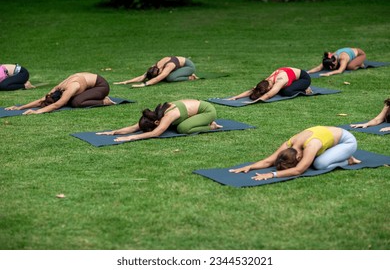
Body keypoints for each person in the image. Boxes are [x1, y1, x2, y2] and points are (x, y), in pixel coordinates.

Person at [229, 126, 361, 181]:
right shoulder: (289, 144)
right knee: (313, 161)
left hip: (346, 141)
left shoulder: (311, 145)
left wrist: (271, 174)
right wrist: (249, 166)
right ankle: (336, 154)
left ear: (298, 156)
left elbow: (298, 170)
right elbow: (269, 161)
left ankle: (348, 160)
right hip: (329, 139)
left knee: (319, 164)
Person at [97, 99, 222, 142]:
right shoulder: (154, 115)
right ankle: (199, 121)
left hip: (208, 111)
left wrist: (130, 138)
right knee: (177, 126)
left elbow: (155, 133)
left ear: (157, 123)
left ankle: (211, 126)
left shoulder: (167, 116)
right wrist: (114, 132)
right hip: (194, 112)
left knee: (182, 129)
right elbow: (134, 127)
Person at [5, 72, 115, 115]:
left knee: (77, 102)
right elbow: (42, 99)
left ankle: (105, 101)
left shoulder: (70, 88)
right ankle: (95, 96)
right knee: (71, 101)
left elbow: (57, 105)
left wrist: (37, 112)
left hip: (101, 86)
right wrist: (20, 107)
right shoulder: (57, 88)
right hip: (87, 85)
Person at [227, 67, 312, 103]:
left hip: (304, 78)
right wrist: (236, 97)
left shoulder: (279, 80)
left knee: (286, 91)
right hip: (292, 78)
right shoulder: (266, 81)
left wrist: (254, 102)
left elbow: (268, 95)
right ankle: (296, 85)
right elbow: (254, 90)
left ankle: (305, 89)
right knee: (280, 90)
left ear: (269, 87)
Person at [113, 56, 198, 87]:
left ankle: (190, 77)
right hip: (177, 67)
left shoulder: (169, 65)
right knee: (165, 77)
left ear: (160, 70)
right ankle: (182, 73)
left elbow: (159, 78)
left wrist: (145, 84)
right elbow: (142, 76)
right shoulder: (155, 67)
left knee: (169, 78)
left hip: (188, 66)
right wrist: (126, 82)